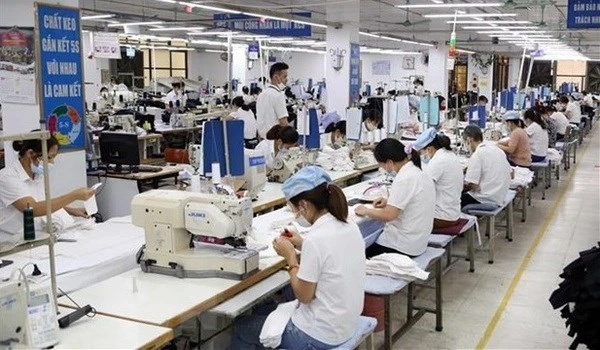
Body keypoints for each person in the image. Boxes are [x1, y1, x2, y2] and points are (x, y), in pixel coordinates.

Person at [231, 166, 365, 349]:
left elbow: (304, 296)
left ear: (304, 205)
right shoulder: (349, 226)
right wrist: (302, 243)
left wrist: (291, 258)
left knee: (241, 327)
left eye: (294, 209)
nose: (295, 215)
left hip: (320, 335)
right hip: (345, 323)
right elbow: (330, 255)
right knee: (265, 308)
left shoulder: (317, 239)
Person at [0, 136, 95, 244]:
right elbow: (32, 209)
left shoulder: (37, 175)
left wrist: (71, 210)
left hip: (35, 237)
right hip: (11, 242)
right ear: (31, 153)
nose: (52, 162)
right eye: (49, 157)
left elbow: (41, 202)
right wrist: (74, 195)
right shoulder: (7, 177)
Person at [354, 138, 435, 258]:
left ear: (389, 162)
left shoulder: (404, 178)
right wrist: (389, 202)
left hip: (403, 245)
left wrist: (366, 211)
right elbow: (413, 201)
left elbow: (389, 216)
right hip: (418, 241)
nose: (383, 169)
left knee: (357, 254)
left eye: (381, 165)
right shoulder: (418, 171)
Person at [413, 128, 463, 229]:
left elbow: (422, 189)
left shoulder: (438, 161)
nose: (422, 156)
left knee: (402, 219)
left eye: (421, 153)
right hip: (453, 213)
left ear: (429, 149)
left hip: (441, 218)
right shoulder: (450, 155)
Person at [461, 125, 511, 208]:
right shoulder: (496, 149)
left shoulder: (477, 154)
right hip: (500, 195)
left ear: (469, 140)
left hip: (486, 198)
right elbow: (511, 173)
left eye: (465, 142)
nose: (466, 146)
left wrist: (460, 186)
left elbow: (472, 185)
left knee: (452, 200)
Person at [256, 62, 290, 139]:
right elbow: (283, 121)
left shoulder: (262, 94)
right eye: (285, 77)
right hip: (276, 139)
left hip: (263, 139)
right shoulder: (278, 95)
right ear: (276, 77)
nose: (287, 80)